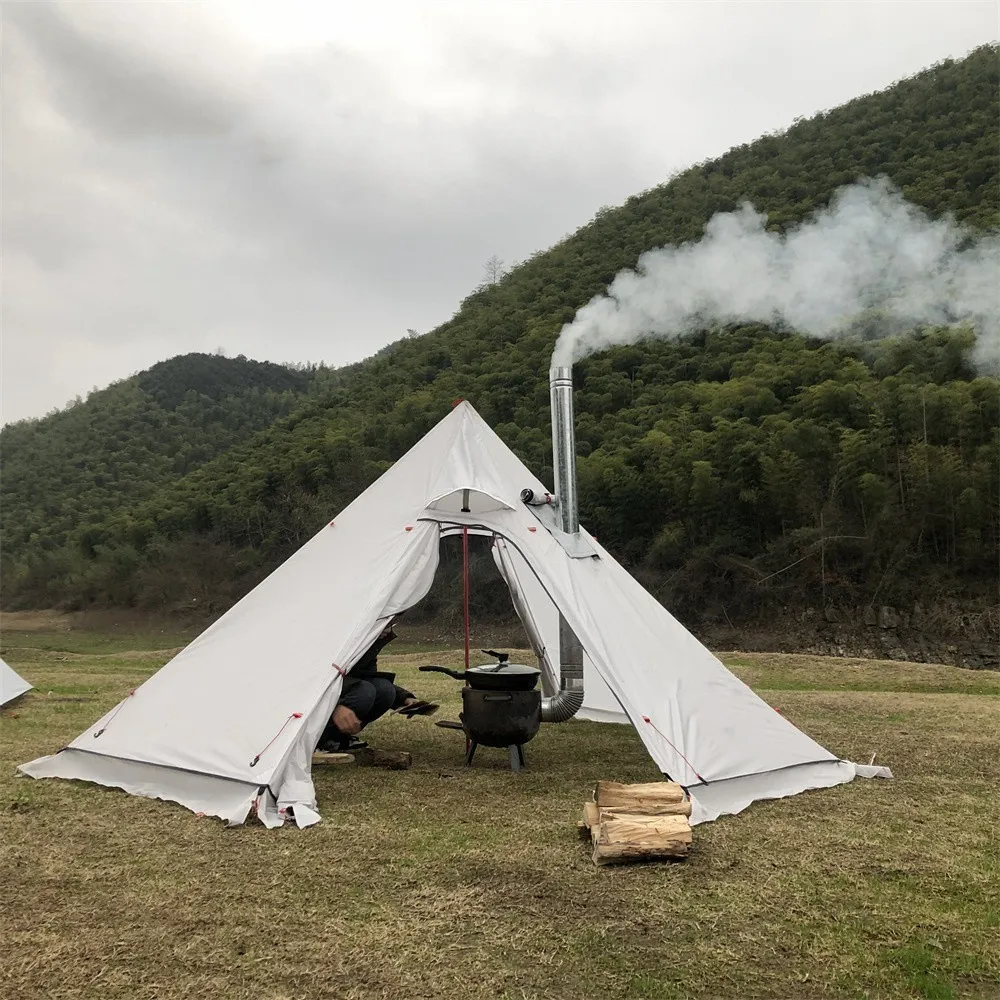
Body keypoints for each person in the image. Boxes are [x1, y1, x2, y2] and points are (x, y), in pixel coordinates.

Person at [317, 616, 435, 753]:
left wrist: (404, 698)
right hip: (319, 694)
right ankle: (317, 739)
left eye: (392, 623)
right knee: (364, 692)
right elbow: (312, 678)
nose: (389, 629)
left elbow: (368, 676)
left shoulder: (370, 643)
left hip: (344, 688)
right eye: (386, 623)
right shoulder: (337, 635)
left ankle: (337, 739)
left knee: (385, 690)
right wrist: (335, 705)